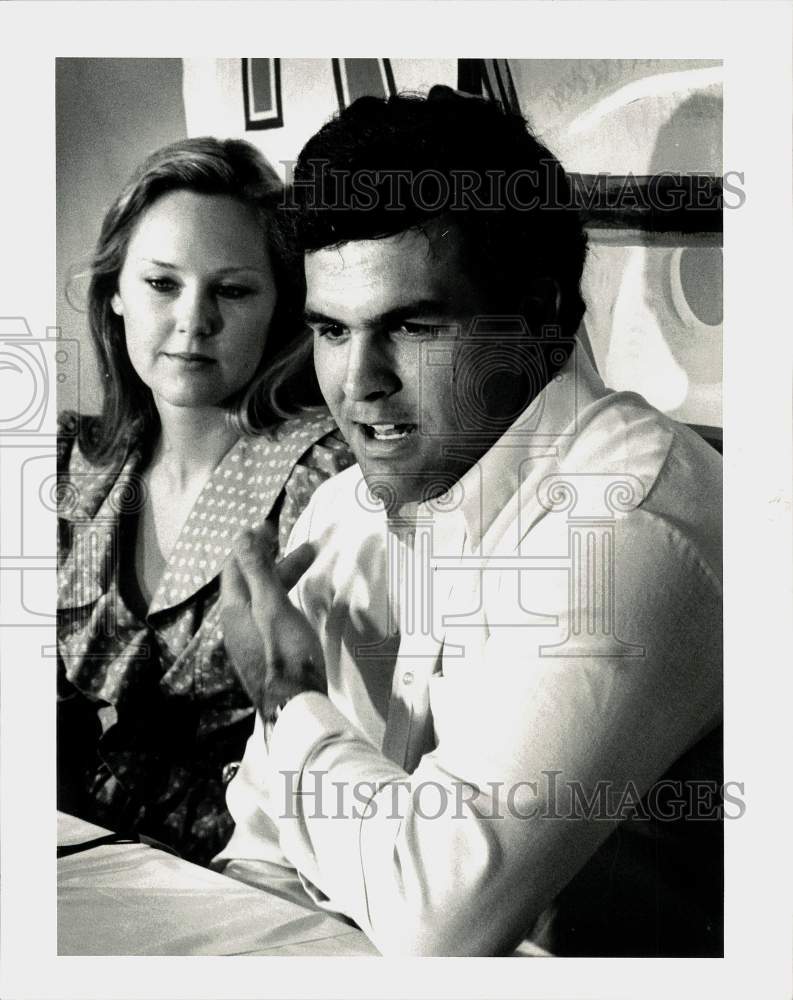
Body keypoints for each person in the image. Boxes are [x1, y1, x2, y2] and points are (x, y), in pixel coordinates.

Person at [215, 90, 724, 955]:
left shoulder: (629, 519)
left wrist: (287, 695)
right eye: (330, 331)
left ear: (540, 314)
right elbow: (261, 850)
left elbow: (437, 919)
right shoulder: (349, 506)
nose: (358, 381)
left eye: (412, 325)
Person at [57, 137, 352, 865]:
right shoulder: (71, 463)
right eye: (162, 283)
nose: (193, 320)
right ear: (115, 293)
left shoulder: (324, 473)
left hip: (248, 878)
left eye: (232, 290)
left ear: (281, 307)